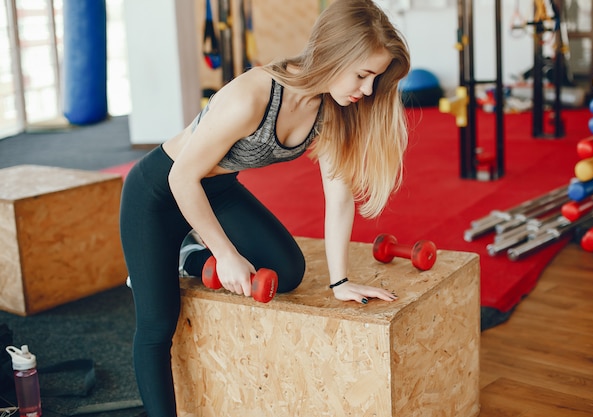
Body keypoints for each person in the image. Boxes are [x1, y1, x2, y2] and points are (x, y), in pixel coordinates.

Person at [119, 0, 410, 415]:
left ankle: (189, 255)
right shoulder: (252, 95)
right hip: (159, 191)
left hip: (216, 191)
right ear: (332, 53)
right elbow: (181, 178)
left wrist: (340, 281)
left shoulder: (332, 109)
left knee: (287, 272)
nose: (366, 90)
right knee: (157, 323)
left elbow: (338, 194)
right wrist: (227, 254)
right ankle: (172, 259)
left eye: (374, 79)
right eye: (362, 75)